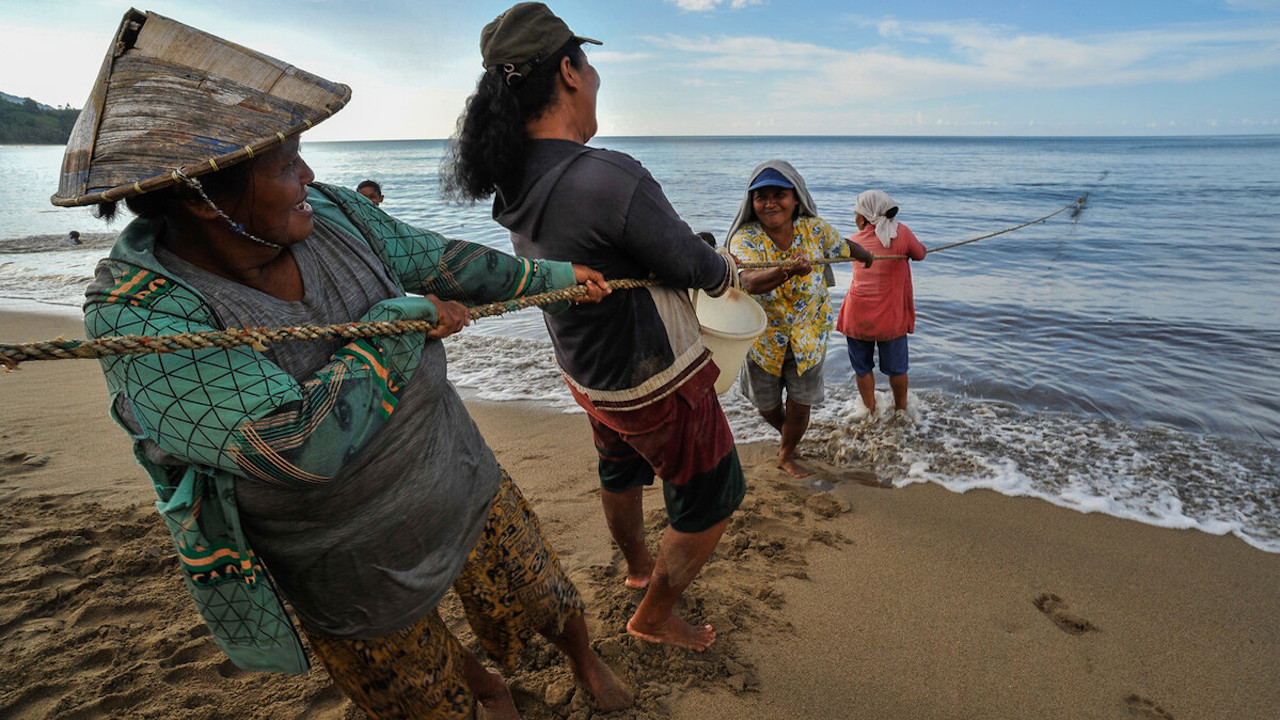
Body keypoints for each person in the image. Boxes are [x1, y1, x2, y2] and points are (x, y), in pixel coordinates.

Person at [52, 9, 629, 719]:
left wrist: (560, 277)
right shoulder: (139, 314)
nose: (310, 174)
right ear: (204, 195)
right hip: (340, 562)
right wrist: (399, 325)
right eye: (287, 161)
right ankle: (483, 689)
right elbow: (291, 447)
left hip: (455, 474)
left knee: (540, 589)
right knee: (422, 687)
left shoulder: (332, 214)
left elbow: (441, 262)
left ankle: (584, 658)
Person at [442, 2, 746, 653]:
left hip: (589, 376)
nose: (598, 74)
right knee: (714, 495)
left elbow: (616, 249)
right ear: (569, 71)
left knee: (619, 467)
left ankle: (638, 566)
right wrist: (721, 267)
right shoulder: (608, 176)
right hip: (656, 382)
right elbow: (695, 266)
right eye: (590, 61)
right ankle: (655, 615)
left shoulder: (517, 183)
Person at [727, 160, 873, 478]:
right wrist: (787, 270)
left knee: (800, 403)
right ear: (751, 203)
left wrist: (862, 253)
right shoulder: (744, 238)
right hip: (763, 338)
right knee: (765, 405)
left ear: (796, 199)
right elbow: (749, 281)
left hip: (809, 333)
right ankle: (788, 433)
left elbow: (837, 245)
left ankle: (787, 452)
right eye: (760, 196)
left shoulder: (814, 229)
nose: (770, 203)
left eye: (779, 194)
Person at [836, 189, 927, 417]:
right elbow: (920, 254)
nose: (855, 218)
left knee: (862, 367)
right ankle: (900, 411)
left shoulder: (854, 241)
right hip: (890, 318)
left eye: (857, 214)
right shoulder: (901, 234)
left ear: (865, 217)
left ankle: (869, 411)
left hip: (857, 317)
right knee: (897, 369)